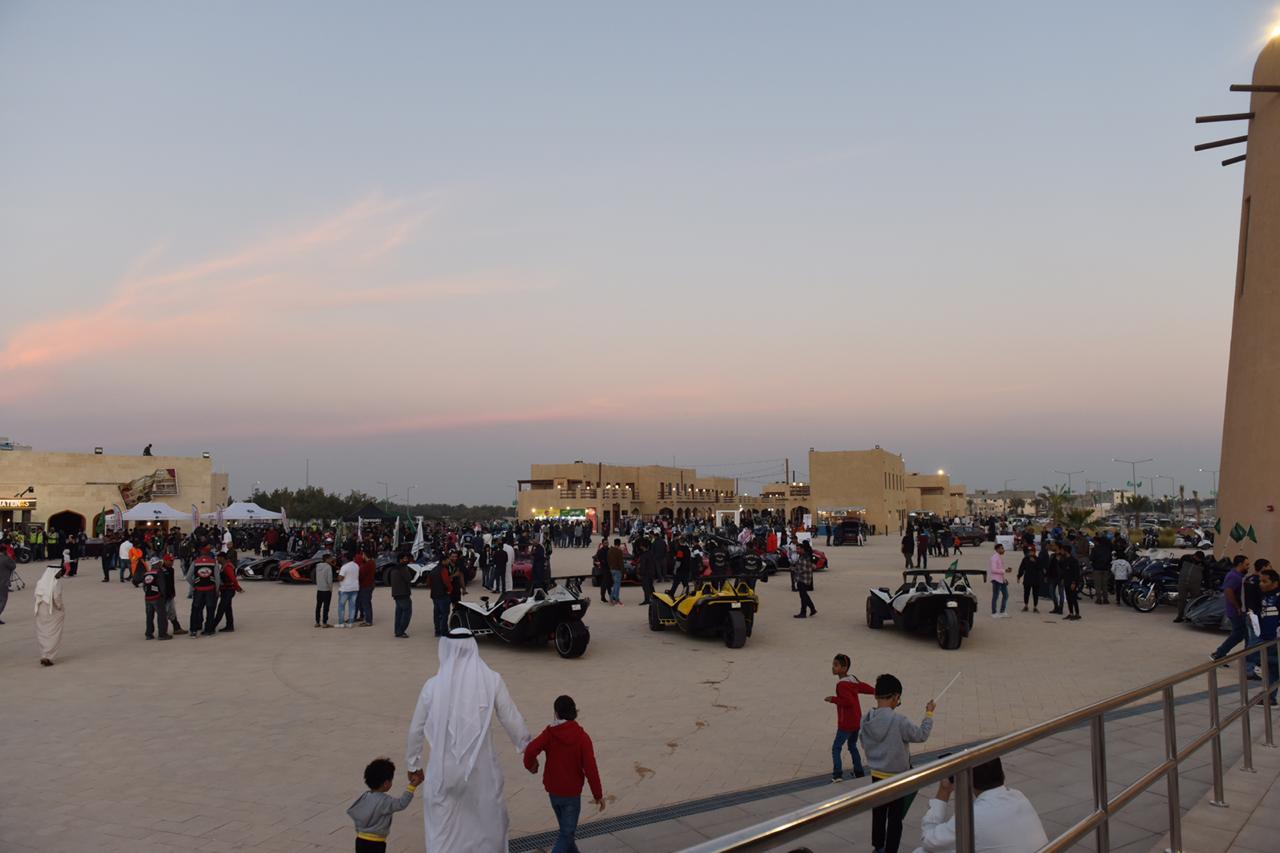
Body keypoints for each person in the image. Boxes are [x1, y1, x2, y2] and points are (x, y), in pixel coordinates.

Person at [405, 628, 531, 853]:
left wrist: (413, 764)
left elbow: (416, 729)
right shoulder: (492, 680)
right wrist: (526, 746)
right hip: (482, 771)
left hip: (444, 771)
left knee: (443, 826)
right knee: (486, 824)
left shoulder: (432, 686)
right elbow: (511, 717)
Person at [860, 673, 936, 853]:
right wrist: (929, 714)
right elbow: (921, 735)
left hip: (876, 775)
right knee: (895, 819)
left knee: (878, 814)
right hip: (897, 778)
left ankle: (878, 847)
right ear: (895, 697)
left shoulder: (866, 719)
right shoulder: (899, 721)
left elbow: (863, 742)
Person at [911, 757, 1048, 853]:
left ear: (969, 780)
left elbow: (928, 840)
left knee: (922, 852)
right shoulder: (1018, 796)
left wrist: (944, 790)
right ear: (1002, 774)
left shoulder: (973, 816)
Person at [523, 695, 606, 853]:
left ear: (556, 713)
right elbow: (591, 768)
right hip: (572, 794)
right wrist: (598, 794)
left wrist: (531, 766)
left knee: (566, 833)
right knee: (567, 835)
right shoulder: (582, 737)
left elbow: (531, 750)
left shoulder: (549, 733)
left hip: (554, 792)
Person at [346, 757, 422, 853]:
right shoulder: (385, 801)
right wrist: (412, 786)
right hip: (376, 843)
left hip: (360, 840)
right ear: (386, 783)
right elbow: (401, 804)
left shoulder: (365, 796)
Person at [826, 654, 874, 781]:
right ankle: (859, 772)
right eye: (833, 664)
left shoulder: (841, 685)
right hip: (857, 721)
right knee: (852, 745)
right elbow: (862, 687)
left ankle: (837, 775)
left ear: (844, 668)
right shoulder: (852, 679)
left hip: (846, 723)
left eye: (836, 665)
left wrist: (833, 699)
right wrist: (875, 691)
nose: (833, 667)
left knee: (836, 747)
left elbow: (848, 702)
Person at [1212, 556, 1251, 663]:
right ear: (1240, 564)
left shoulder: (1238, 575)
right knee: (1242, 634)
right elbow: (1228, 591)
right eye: (1246, 564)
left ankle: (1219, 654)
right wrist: (1238, 607)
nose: (1248, 566)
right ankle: (1219, 654)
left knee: (1240, 634)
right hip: (1235, 611)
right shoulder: (1234, 576)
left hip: (1237, 610)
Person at [33, 564, 66, 665]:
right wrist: (61, 608)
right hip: (52, 611)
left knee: (43, 632)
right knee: (53, 633)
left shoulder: (40, 582)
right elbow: (57, 599)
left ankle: (44, 654)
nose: (61, 573)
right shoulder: (56, 583)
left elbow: (36, 596)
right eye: (59, 572)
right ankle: (48, 656)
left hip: (41, 611)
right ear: (54, 572)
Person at [133, 558, 172, 640]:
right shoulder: (159, 572)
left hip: (148, 598)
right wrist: (163, 595)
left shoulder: (146, 573)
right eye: (159, 563)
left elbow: (144, 587)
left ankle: (149, 634)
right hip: (157, 597)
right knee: (161, 616)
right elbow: (162, 586)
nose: (161, 564)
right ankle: (162, 634)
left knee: (149, 616)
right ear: (157, 564)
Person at [211, 552, 243, 633]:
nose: (217, 559)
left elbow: (233, 579)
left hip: (228, 590)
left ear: (222, 558)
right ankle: (229, 626)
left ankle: (212, 626)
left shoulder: (227, 567)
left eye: (218, 558)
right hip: (227, 590)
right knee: (227, 608)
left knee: (221, 608)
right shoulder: (225, 566)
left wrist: (238, 588)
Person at [189, 557, 219, 637]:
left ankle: (193, 630)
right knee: (210, 610)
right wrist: (217, 589)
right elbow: (217, 578)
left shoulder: (195, 562)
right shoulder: (213, 562)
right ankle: (208, 630)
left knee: (195, 609)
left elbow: (188, 576)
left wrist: (194, 584)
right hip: (210, 589)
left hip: (198, 589)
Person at [1173, 551, 1205, 622]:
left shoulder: (1204, 563)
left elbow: (1206, 574)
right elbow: (1179, 567)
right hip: (1183, 582)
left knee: (1195, 600)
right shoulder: (1185, 558)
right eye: (1198, 558)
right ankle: (1180, 616)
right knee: (1181, 600)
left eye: (1200, 559)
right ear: (1195, 556)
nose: (1199, 560)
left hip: (1195, 584)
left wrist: (1207, 584)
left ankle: (1193, 616)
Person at [428, 555, 455, 637]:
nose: (449, 561)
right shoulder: (443, 570)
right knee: (444, 614)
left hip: (434, 594)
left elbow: (429, 582)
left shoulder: (433, 569)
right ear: (444, 561)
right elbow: (446, 581)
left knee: (436, 614)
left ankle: (437, 631)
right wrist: (450, 590)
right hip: (443, 594)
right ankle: (444, 631)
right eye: (448, 560)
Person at [388, 552, 413, 638]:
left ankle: (397, 630)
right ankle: (401, 631)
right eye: (405, 558)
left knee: (399, 613)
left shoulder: (394, 568)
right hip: (403, 593)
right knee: (406, 612)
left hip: (396, 594)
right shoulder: (403, 568)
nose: (407, 560)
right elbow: (408, 578)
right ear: (400, 560)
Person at [792, 541, 817, 618]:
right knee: (804, 595)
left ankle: (804, 612)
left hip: (803, 579)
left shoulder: (804, 557)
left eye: (798, 549)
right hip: (803, 578)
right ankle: (811, 609)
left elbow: (803, 569)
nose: (797, 550)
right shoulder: (803, 556)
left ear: (803, 549)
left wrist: (794, 569)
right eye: (796, 549)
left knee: (803, 596)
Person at [1058, 543, 1082, 621]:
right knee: (1068, 598)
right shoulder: (1064, 560)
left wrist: (1074, 582)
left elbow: (1076, 572)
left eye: (1062, 550)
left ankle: (1077, 614)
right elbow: (1063, 570)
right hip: (1066, 581)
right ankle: (1071, 613)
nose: (1061, 551)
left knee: (1073, 598)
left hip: (1072, 582)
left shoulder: (1073, 560)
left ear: (1066, 551)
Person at [337, 554, 361, 628]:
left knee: (341, 606)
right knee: (352, 606)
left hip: (345, 589)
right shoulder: (356, 565)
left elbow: (340, 578)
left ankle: (341, 623)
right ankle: (350, 623)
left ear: (346, 559)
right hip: (355, 588)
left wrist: (338, 574)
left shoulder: (344, 567)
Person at [1016, 544, 1041, 613]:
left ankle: (1035, 607)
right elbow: (1021, 568)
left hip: (1036, 579)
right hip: (1027, 578)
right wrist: (1019, 576)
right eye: (1029, 551)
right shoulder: (1025, 559)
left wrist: (1035, 562)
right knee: (1026, 593)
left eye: (1032, 551)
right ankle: (1026, 606)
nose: (1030, 553)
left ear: (1035, 552)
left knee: (1035, 593)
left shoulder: (1038, 559)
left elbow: (1040, 568)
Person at [356, 549, 376, 627]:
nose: (362, 556)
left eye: (363, 555)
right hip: (369, 584)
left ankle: (368, 621)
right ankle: (364, 617)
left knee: (366, 603)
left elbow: (361, 575)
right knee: (364, 602)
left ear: (365, 555)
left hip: (366, 585)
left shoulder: (367, 564)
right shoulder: (372, 562)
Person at [1089, 534, 1112, 604]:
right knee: (1105, 585)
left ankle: (1098, 599)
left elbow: (1091, 558)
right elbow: (1110, 559)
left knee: (1098, 585)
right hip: (1105, 568)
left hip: (1097, 568)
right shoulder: (1107, 549)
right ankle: (1105, 599)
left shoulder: (1095, 549)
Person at [314, 554, 334, 628]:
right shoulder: (328, 567)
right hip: (326, 590)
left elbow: (317, 577)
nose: (332, 560)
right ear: (327, 559)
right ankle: (324, 623)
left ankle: (317, 622)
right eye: (330, 558)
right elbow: (329, 579)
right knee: (326, 607)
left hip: (319, 589)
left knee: (318, 606)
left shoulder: (317, 566)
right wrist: (331, 588)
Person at [990, 544, 1009, 618]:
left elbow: (1000, 569)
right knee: (995, 596)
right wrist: (1004, 570)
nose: (1003, 550)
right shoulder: (994, 557)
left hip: (1001, 579)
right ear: (997, 549)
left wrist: (1005, 579)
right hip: (996, 580)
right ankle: (994, 612)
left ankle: (1002, 611)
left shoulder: (999, 557)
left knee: (1006, 595)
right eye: (1002, 548)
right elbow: (993, 570)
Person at [607, 539, 625, 606]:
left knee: (615, 585)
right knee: (617, 586)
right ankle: (616, 600)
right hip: (618, 570)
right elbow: (621, 563)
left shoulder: (609, 550)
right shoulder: (619, 551)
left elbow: (608, 560)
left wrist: (610, 567)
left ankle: (611, 599)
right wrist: (624, 572)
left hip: (612, 569)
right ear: (619, 544)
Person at [0, 545, 15, 625]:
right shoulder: (6, 559)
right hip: (2, 583)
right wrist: (9, 557)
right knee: (2, 600)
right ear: (4, 551)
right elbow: (13, 566)